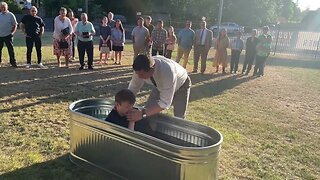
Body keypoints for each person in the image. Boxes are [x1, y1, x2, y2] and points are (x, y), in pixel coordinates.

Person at [127, 54, 192, 123]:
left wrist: (142, 114)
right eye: (137, 74)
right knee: (148, 110)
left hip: (182, 85)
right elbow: (134, 87)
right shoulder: (140, 68)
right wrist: (126, 102)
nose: (139, 77)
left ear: (151, 69)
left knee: (179, 117)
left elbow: (164, 103)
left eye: (142, 74)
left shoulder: (167, 72)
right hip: (160, 85)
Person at [0, 1, 18, 68]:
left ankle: (13, 62)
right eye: (1, 7)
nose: (3, 9)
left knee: (11, 50)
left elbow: (15, 25)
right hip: (0, 36)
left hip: (8, 35)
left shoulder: (11, 15)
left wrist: (12, 33)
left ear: (7, 7)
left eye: (4, 7)